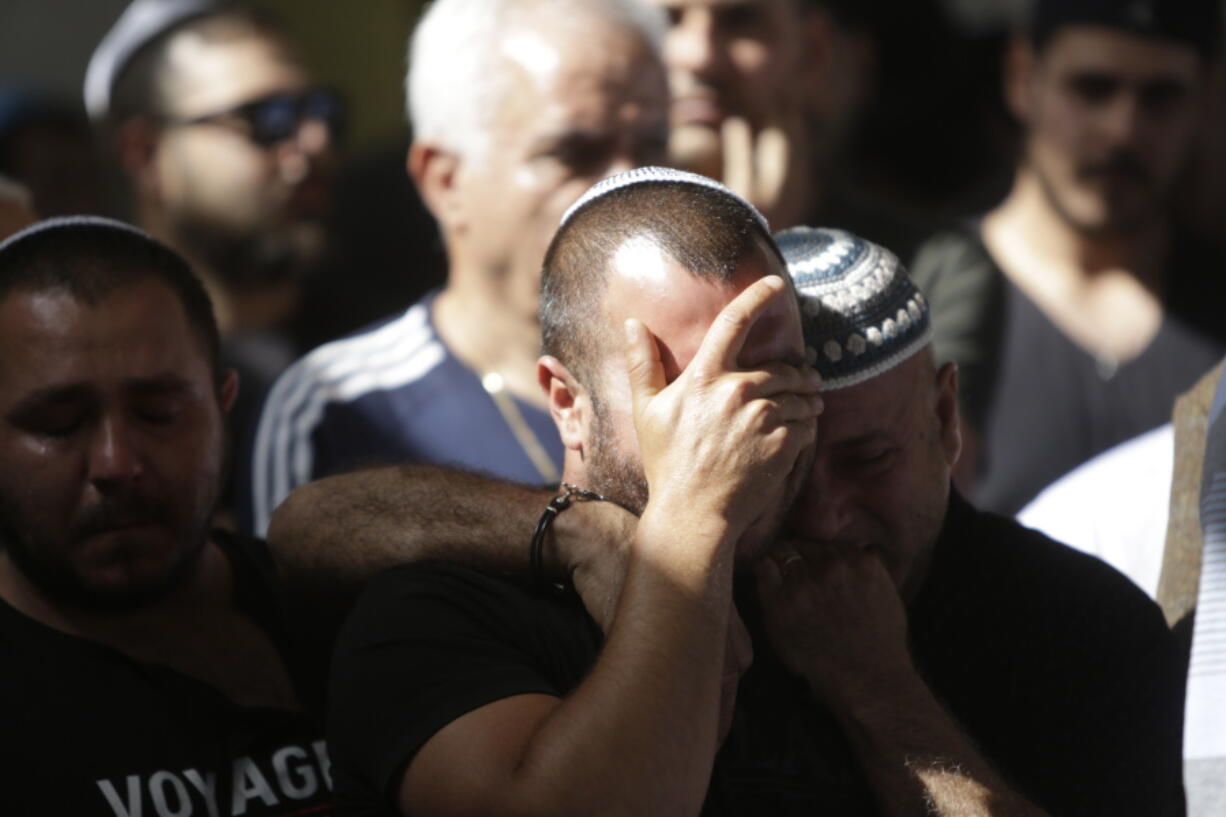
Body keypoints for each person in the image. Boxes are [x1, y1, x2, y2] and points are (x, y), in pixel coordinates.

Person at [282, 170, 1182, 815]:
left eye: (770, 390)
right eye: (692, 396)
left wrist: (875, 688)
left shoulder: (1058, 617)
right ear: (567, 401)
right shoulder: (455, 610)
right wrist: (616, 532)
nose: (746, 446)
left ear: (946, 419)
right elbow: (304, 526)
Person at [241, 0, 671, 536]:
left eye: (654, 146)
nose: (628, 186)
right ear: (446, 181)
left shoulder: (714, 376)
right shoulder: (334, 408)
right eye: (573, 153)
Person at [0, 216, 332, 815]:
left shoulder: (337, 619)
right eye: (58, 424)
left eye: (158, 413)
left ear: (222, 409)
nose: (116, 463)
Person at [910, 0, 1226, 513]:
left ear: (1206, 100)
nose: (1122, 130)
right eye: (1092, 88)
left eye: (1161, 98)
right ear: (1022, 77)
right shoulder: (928, 301)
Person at [85, 0, 342, 458]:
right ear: (144, 155)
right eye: (267, 117)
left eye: (318, 109)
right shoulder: (104, 394)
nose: (315, 141)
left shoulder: (382, 344)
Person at [651, 0, 924, 256]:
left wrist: (754, 255)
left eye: (740, 20)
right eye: (667, 20)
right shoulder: (609, 239)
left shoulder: (931, 270)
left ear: (812, 53)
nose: (699, 57)